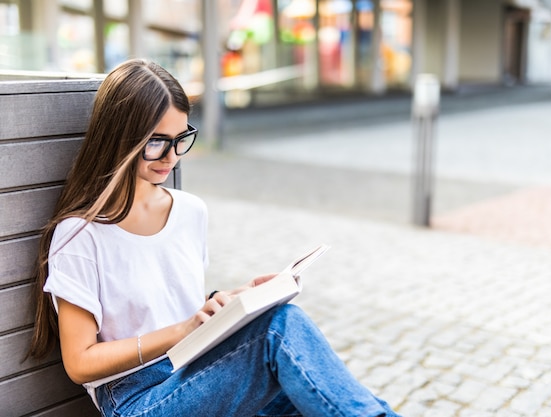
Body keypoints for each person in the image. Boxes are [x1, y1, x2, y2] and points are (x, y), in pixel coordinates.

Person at [26, 59, 402, 417]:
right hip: (135, 398)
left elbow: (174, 305)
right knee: (279, 328)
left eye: (181, 139)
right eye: (157, 142)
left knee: (305, 392)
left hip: (196, 369)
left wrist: (235, 301)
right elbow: (80, 363)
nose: (171, 157)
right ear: (120, 138)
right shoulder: (80, 235)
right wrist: (183, 329)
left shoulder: (190, 212)